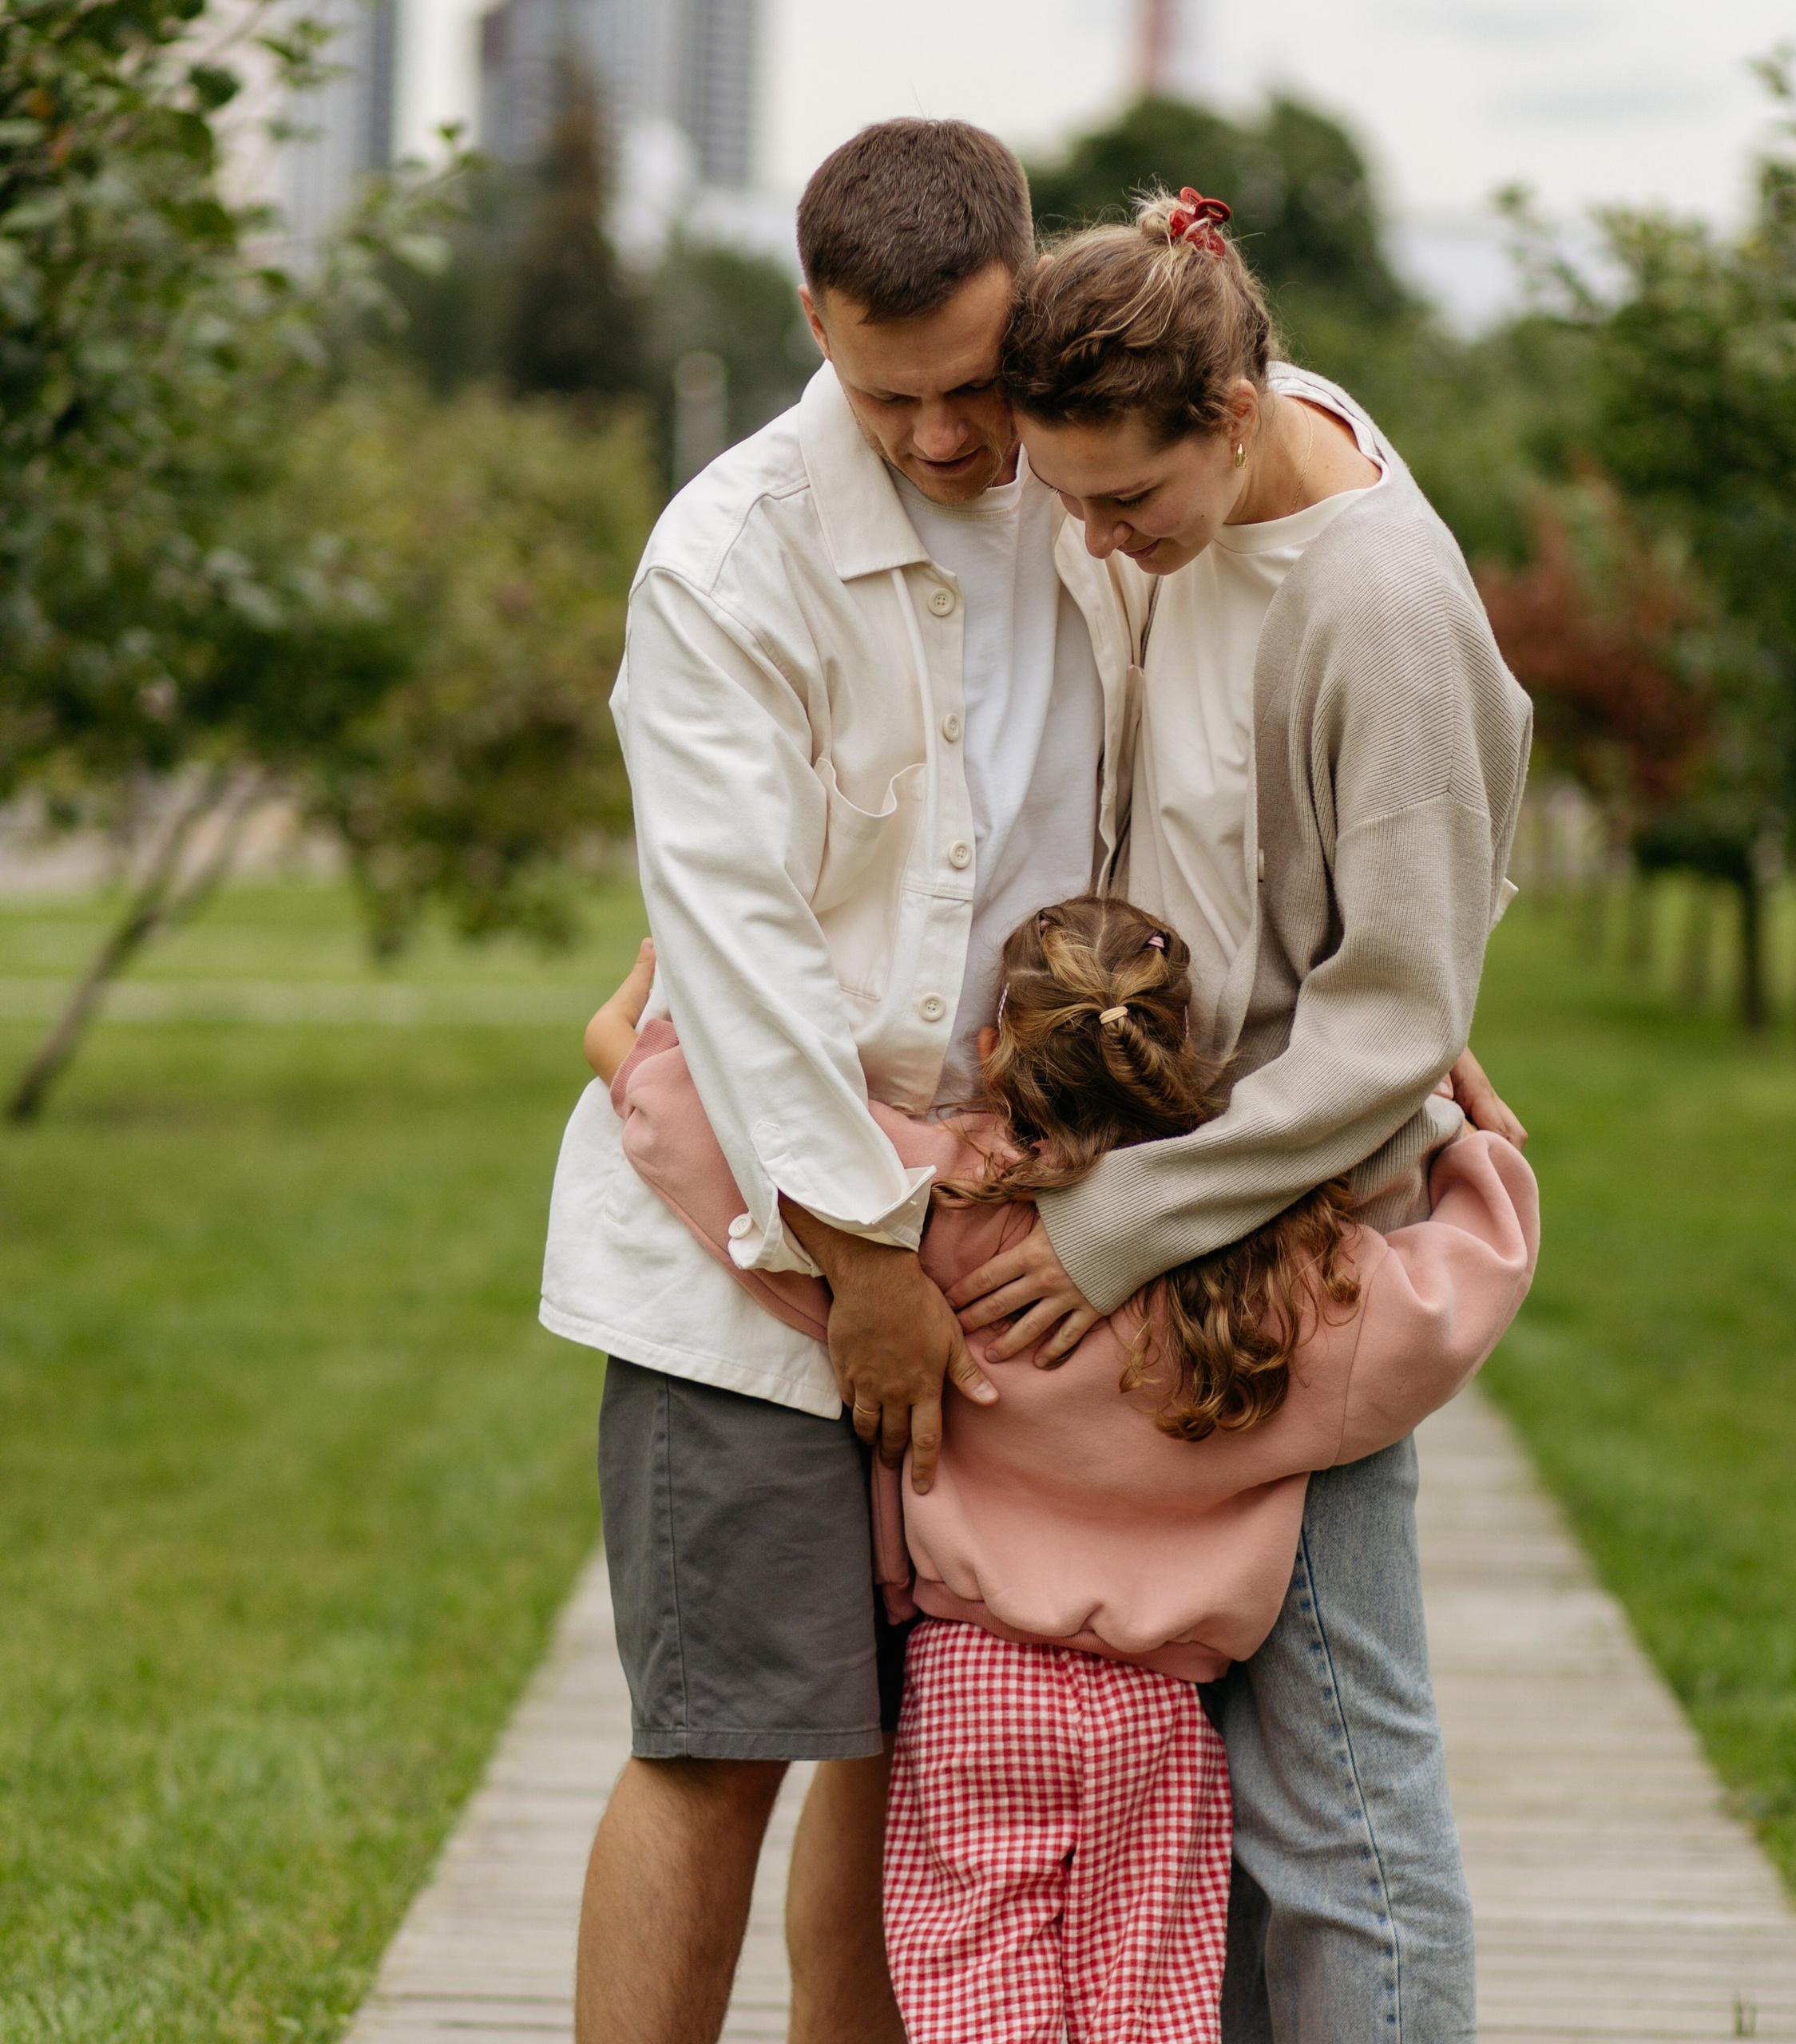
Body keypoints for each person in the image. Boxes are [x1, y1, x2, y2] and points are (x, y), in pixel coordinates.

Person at [538, 121, 1137, 2044]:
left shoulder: (1101, 489)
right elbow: (732, 954)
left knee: (905, 1755)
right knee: (722, 1738)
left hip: (1007, 1242)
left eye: (975, 385)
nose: (949, 438)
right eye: (896, 396)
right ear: (809, 320)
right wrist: (864, 1260)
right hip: (751, 1250)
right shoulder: (723, 559)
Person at [581, 896, 1538, 2044]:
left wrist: (619, 1044)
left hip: (974, 1696)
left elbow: (712, 1137)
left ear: (996, 1047)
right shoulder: (1278, 1282)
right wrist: (1447, 1118)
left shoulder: (942, 1214)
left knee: (978, 1999)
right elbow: (1470, 1281)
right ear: (1186, 1060)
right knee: (1145, 2013)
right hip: (1159, 1715)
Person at [943, 192, 1536, 2039]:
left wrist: (1109, 1229)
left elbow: (1387, 1028)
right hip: (1176, 1215)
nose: (1095, 542)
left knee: (1337, 1803)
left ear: (1235, 409)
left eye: (1126, 503)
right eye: (1065, 500)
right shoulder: (1174, 488)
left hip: (1293, 1252)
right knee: (1183, 1781)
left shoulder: (1373, 607)